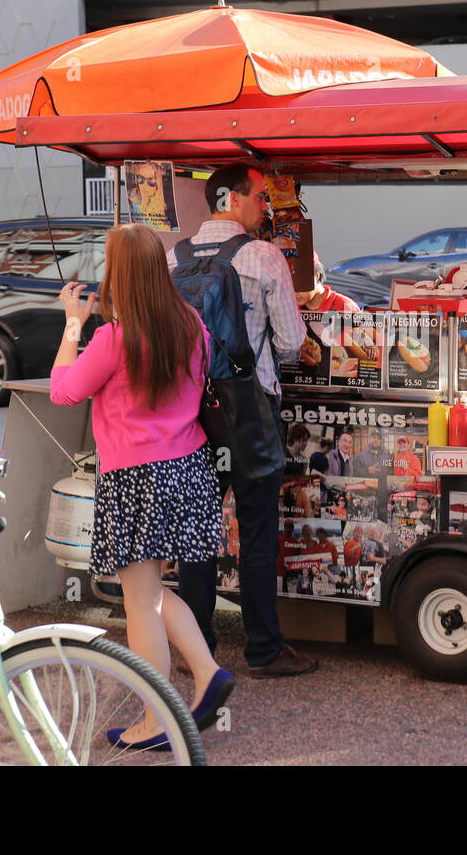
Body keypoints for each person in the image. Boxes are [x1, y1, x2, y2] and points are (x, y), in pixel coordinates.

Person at [50, 223, 233, 749]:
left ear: (120, 272)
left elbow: (63, 392)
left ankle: (158, 718)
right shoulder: (190, 322)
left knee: (139, 602)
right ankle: (206, 673)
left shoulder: (114, 337)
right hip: (187, 467)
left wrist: (71, 326)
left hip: (135, 476)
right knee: (151, 593)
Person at [166, 164, 314, 677]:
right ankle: (263, 650)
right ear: (232, 199)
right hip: (249, 408)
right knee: (255, 530)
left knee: (199, 533)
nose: (265, 208)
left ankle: (197, 650)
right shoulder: (262, 255)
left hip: (188, 412)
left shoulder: (173, 257)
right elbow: (292, 344)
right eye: (259, 198)